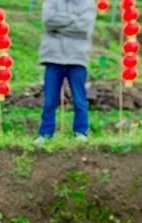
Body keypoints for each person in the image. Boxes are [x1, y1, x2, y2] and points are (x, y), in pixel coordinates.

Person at [36, 0, 96, 144]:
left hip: (77, 57)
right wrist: (74, 20)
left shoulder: (87, 3)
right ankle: (45, 133)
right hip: (53, 56)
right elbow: (48, 21)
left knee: (79, 99)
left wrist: (59, 25)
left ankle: (81, 132)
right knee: (50, 99)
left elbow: (85, 27)